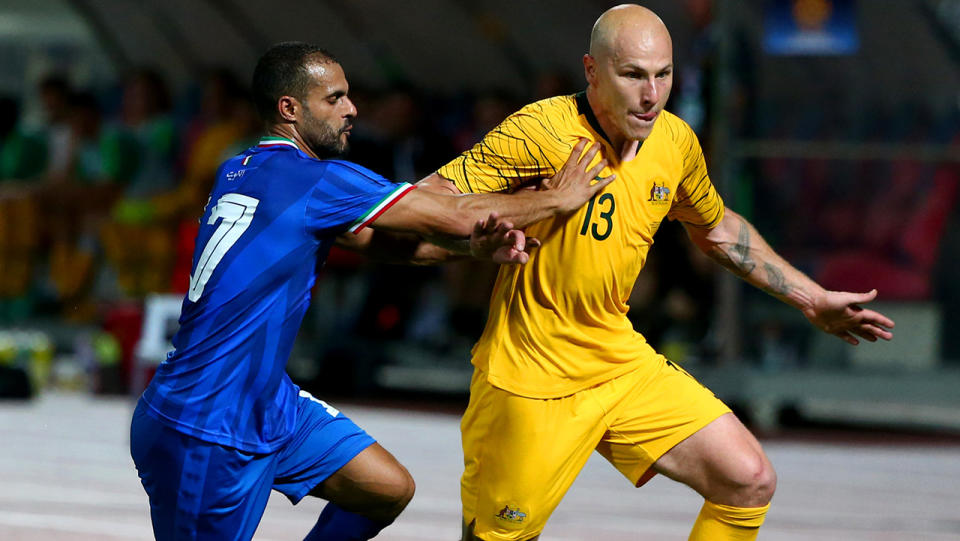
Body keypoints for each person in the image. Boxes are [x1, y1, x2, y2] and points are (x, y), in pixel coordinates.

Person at [419, 5, 896, 541]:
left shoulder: (673, 142)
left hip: (618, 360)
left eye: (663, 75)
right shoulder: (541, 131)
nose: (651, 95)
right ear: (592, 71)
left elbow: (716, 229)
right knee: (496, 536)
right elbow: (431, 201)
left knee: (747, 480)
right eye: (633, 75)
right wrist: (525, 212)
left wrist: (812, 299)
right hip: (530, 374)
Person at [129, 42, 612, 541]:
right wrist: (560, 197)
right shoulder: (316, 179)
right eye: (334, 99)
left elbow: (385, 245)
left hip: (265, 402)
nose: (352, 109)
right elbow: (455, 213)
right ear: (289, 109)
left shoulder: (242, 169)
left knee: (385, 488)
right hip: (205, 424)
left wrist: (472, 252)